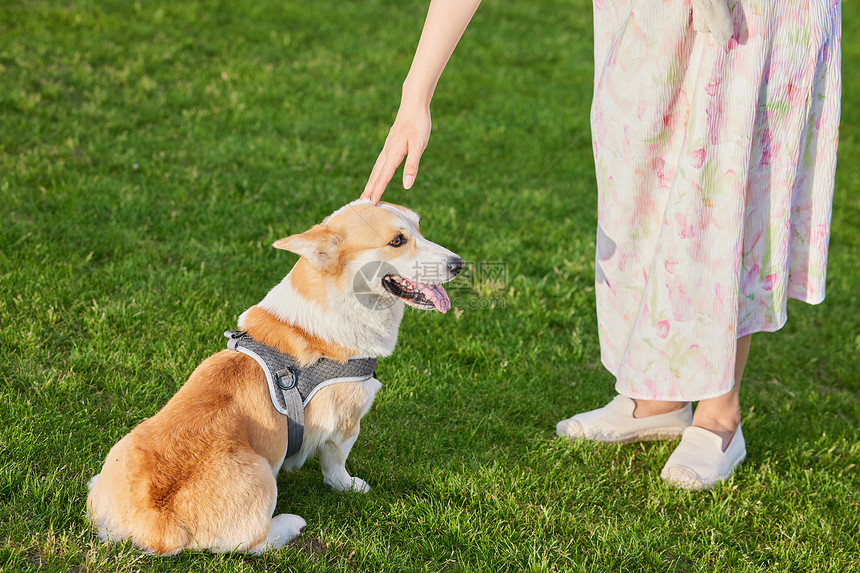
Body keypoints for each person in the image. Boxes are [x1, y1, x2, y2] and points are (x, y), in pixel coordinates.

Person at [360, 0, 842, 490]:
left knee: (724, 195)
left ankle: (720, 414)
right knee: (635, 191)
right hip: (643, 20)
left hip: (751, 19)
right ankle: (660, 398)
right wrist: (415, 94)